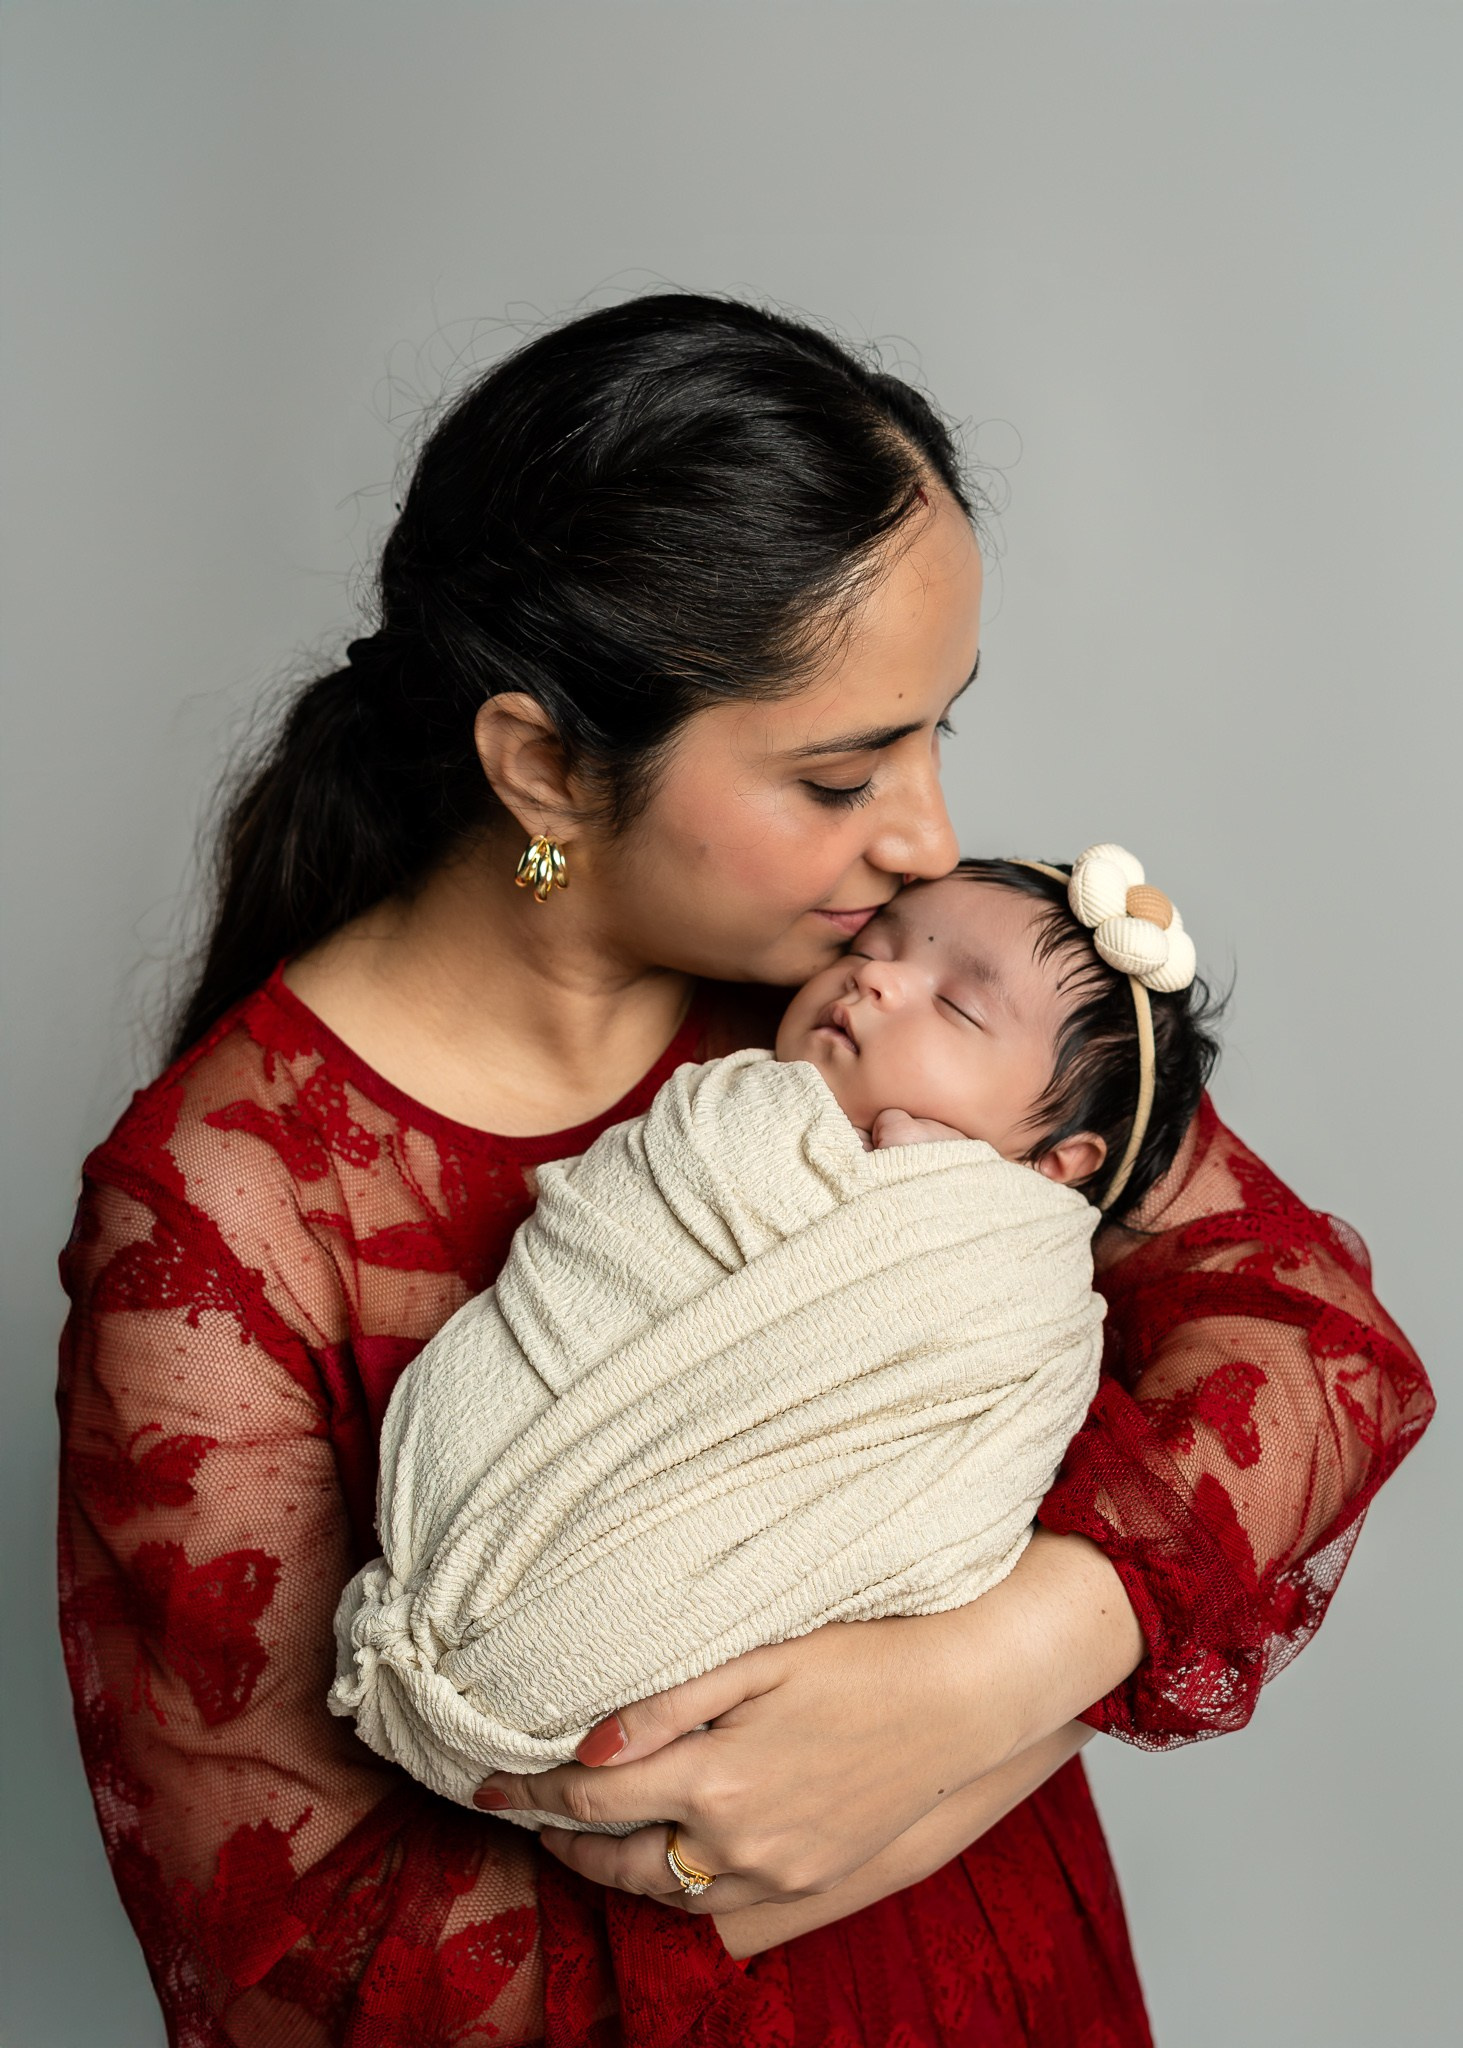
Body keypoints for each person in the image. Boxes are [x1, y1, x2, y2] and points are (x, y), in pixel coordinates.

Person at [57, 295, 1434, 2048]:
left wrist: (974, 1686)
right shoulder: (225, 1210)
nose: (931, 834)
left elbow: (1311, 1339)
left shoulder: (865, 996)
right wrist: (765, 1840)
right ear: (543, 765)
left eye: (939, 729)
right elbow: (295, 1939)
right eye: (843, 769)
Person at [329, 852, 1218, 1816]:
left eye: (955, 1007)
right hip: (498, 1513)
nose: (875, 977)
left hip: (797, 1713)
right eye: (877, 947)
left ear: (1057, 1162)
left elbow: (948, 1466)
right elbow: (606, 1245)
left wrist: (945, 1205)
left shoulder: (1015, 1266)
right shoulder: (730, 1109)